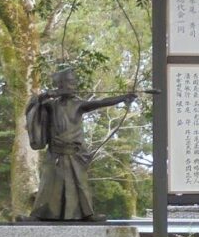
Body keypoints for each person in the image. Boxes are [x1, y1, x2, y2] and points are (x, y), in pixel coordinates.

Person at [24, 67, 136, 221]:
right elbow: (34, 106)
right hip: (56, 152)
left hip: (74, 153)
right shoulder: (51, 105)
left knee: (80, 185)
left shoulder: (78, 104)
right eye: (70, 83)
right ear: (61, 85)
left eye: (74, 83)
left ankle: (87, 214)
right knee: (49, 186)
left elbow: (101, 102)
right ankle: (39, 215)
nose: (73, 86)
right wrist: (44, 96)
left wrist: (123, 98)